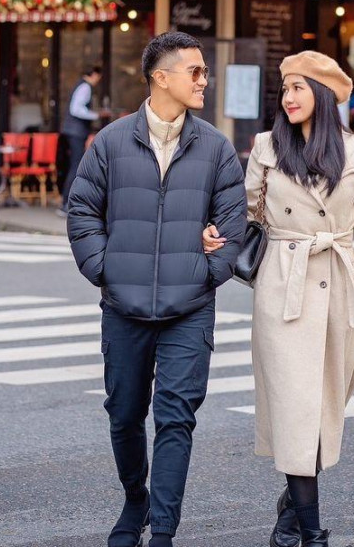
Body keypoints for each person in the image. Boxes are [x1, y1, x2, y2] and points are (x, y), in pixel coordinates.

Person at [204, 51, 354, 547]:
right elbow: (244, 214)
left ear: (323, 96)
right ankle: (312, 532)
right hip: (282, 287)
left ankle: (292, 506)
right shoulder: (266, 147)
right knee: (294, 408)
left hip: (336, 286)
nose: (287, 98)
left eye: (298, 89)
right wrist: (214, 234)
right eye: (284, 89)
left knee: (323, 405)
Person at [67, 32, 246, 547]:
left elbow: (234, 224)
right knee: (124, 414)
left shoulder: (215, 147)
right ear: (160, 78)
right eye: (195, 71)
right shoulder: (111, 142)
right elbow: (82, 211)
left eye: (205, 72)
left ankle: (163, 529)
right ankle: (134, 500)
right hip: (122, 306)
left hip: (189, 309)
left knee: (175, 419)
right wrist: (104, 269)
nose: (204, 81)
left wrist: (207, 273)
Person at [59, 66, 103, 216]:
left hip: (73, 131)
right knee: (76, 166)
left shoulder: (81, 85)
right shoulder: (85, 87)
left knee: (75, 165)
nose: (98, 81)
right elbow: (76, 109)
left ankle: (67, 202)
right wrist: (96, 115)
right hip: (76, 132)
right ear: (94, 75)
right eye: (98, 77)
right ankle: (66, 203)